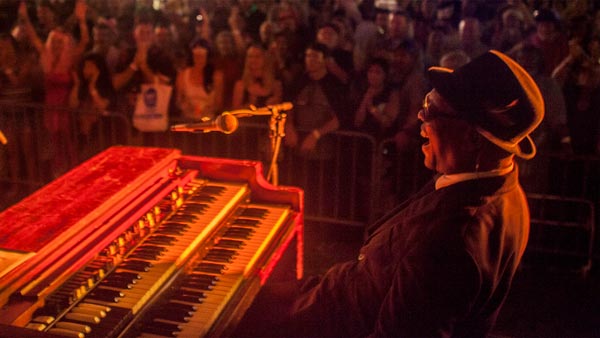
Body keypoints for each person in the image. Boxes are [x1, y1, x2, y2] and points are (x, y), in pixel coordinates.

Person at [237, 49, 544, 337]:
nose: (420, 119)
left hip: (334, 323)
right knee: (239, 297)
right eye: (425, 104)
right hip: (333, 293)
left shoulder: (453, 240)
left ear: (472, 139)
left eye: (432, 110)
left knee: (228, 319)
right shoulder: (493, 184)